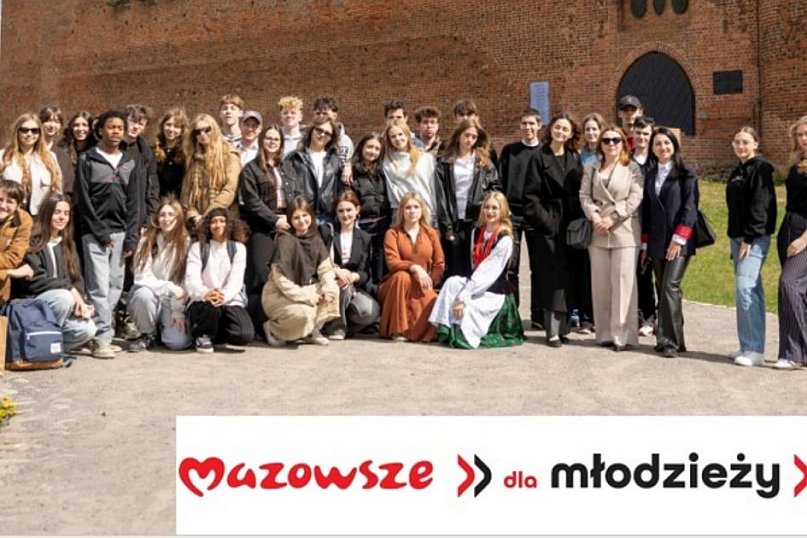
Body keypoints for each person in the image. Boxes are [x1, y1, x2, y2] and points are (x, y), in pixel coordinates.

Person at [75, 110, 142, 359]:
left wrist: (131, 236)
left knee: (115, 286)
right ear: (100, 130)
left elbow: (135, 202)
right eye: (111, 127)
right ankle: (101, 338)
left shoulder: (130, 162)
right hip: (95, 234)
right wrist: (100, 232)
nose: (115, 131)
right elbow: (83, 201)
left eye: (119, 128)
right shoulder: (87, 159)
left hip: (121, 233)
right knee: (98, 287)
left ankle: (103, 332)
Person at [429, 191, 524, 349]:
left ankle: (463, 335)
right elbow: (475, 267)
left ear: (502, 211)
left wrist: (463, 298)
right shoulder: (477, 232)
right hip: (476, 283)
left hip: (494, 290)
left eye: (494, 208)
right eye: (487, 207)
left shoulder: (505, 239)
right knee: (451, 282)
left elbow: (487, 273)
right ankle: (443, 328)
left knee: (468, 308)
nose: (489, 211)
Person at [580, 126, 644, 351]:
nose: (611, 144)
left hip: (623, 230)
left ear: (623, 143)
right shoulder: (591, 167)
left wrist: (613, 216)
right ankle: (604, 333)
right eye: (606, 140)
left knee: (624, 284)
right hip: (598, 231)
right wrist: (595, 216)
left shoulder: (632, 168)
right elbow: (584, 195)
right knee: (601, 285)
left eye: (616, 140)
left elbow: (635, 197)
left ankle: (623, 335)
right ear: (600, 144)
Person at [524, 112, 585, 347]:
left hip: (571, 223)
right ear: (550, 130)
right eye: (557, 127)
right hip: (549, 223)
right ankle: (551, 330)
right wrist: (546, 222)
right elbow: (530, 196)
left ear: (571, 134)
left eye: (565, 129)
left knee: (570, 275)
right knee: (552, 276)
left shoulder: (574, 157)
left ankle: (565, 328)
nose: (560, 132)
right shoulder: (539, 158)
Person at [640, 127, 698, 358]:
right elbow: (647, 212)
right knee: (662, 287)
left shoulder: (686, 173)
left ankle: (669, 342)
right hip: (655, 241)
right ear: (652, 149)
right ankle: (674, 339)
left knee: (670, 287)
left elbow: (690, 208)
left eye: (666, 143)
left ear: (674, 145)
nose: (663, 147)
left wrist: (678, 240)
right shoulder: (650, 175)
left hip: (679, 241)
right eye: (658, 144)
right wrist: (645, 245)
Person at [726, 126, 777, 367]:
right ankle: (747, 345)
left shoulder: (760, 169)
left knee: (745, 288)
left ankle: (755, 350)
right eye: (737, 142)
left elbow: (761, 205)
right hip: (737, 238)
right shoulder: (738, 170)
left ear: (756, 144)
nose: (741, 146)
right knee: (750, 289)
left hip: (753, 239)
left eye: (745, 142)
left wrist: (748, 238)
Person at [21, 194, 96, 352]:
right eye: (57, 212)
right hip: (34, 303)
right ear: (47, 213)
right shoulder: (32, 241)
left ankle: (47, 348)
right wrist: (70, 290)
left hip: (63, 304)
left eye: (66, 213)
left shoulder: (68, 244)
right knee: (63, 297)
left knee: (88, 329)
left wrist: (81, 303)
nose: (62, 217)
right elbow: (34, 279)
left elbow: (77, 278)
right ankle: (42, 347)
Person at [261, 196, 339, 346]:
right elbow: (281, 281)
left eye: (305, 215)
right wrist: (306, 297)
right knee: (303, 314)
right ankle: (273, 329)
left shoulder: (315, 238)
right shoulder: (284, 241)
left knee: (332, 288)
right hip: (279, 294)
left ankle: (313, 330)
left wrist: (327, 291)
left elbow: (326, 270)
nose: (302, 221)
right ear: (290, 220)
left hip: (305, 289)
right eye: (296, 218)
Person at [239, 124, 294, 334]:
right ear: (262, 141)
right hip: (261, 225)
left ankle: (281, 321)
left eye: (276, 139)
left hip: (287, 223)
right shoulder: (251, 169)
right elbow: (251, 201)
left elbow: (296, 193)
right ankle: (257, 323)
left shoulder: (287, 167)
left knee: (285, 272)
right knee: (260, 273)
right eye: (269, 138)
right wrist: (273, 220)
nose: (272, 142)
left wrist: (292, 218)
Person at [434, 118, 500, 278]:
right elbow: (441, 195)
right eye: (466, 135)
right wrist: (446, 227)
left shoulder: (483, 162)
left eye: (473, 137)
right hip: (454, 221)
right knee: (454, 267)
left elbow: (495, 187)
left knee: (475, 266)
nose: (469, 140)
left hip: (475, 220)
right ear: (459, 135)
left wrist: (483, 206)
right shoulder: (445, 161)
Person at [126, 198, 192, 352]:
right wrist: (168, 287)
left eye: (171, 215)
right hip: (151, 295)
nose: (166, 219)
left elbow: (184, 282)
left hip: (173, 300)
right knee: (143, 295)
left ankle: (163, 329)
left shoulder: (186, 243)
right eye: (162, 215)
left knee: (177, 343)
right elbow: (141, 277)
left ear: (178, 218)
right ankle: (147, 333)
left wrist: (177, 310)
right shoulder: (147, 240)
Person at [377, 192, 445, 342]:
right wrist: (414, 267)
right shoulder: (392, 233)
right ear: (401, 211)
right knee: (403, 277)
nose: (412, 211)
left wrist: (430, 281)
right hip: (396, 285)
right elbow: (392, 262)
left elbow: (439, 264)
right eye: (408, 207)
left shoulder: (431, 233)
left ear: (422, 210)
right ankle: (397, 330)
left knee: (433, 300)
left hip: (422, 284)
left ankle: (415, 333)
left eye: (416, 207)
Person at [184, 207, 254, 352]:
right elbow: (192, 280)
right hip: (203, 301)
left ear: (229, 224)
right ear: (208, 226)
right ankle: (203, 335)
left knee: (245, 334)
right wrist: (206, 293)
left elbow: (236, 280)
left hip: (228, 299)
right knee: (211, 309)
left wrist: (223, 296)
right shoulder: (198, 248)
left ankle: (217, 335)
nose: (218, 225)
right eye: (214, 222)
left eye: (222, 221)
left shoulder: (238, 248)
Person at [497, 108, 543, 326]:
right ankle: (512, 315)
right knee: (511, 267)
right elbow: (499, 181)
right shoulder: (510, 151)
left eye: (532, 123)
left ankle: (538, 315)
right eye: (524, 123)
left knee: (538, 266)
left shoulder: (544, 152)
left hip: (535, 215)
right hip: (512, 215)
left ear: (539, 125)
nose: (528, 127)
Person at [319, 191, 380, 339]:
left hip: (352, 286)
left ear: (357, 210)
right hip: (328, 283)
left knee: (371, 312)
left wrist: (354, 276)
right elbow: (318, 260)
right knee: (343, 286)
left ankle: (339, 327)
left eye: (349, 210)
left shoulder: (364, 237)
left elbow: (365, 273)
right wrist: (335, 270)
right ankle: (336, 329)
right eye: (341, 211)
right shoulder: (326, 231)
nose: (345, 215)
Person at [775, 116, 807, 370]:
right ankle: (792, 352)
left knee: (789, 283)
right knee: (795, 292)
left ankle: (796, 353)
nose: (804, 139)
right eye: (800, 135)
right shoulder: (796, 163)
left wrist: (803, 240)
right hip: (788, 229)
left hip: (804, 235)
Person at [341, 132, 390, 288]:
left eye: (377, 148)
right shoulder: (351, 171)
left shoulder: (382, 171)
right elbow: (346, 197)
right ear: (361, 147)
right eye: (369, 147)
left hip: (382, 224)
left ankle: (378, 291)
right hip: (361, 224)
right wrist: (348, 164)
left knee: (379, 263)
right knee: (362, 262)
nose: (372, 151)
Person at [180, 113, 241, 230]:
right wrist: (193, 216)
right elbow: (186, 193)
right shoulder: (193, 158)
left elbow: (230, 189)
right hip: (198, 223)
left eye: (207, 129)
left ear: (215, 129)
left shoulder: (229, 154)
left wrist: (207, 216)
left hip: (223, 220)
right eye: (197, 132)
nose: (202, 134)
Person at [282, 118, 343, 225]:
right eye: (319, 130)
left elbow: (339, 188)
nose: (322, 135)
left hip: (327, 216)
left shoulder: (335, 160)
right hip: (303, 215)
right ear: (311, 130)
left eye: (327, 133)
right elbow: (287, 188)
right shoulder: (294, 158)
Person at [0, 112, 62, 216]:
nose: (29, 134)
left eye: (34, 130)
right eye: (24, 130)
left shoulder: (50, 157)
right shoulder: (3, 156)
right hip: (10, 215)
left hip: (40, 217)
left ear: (40, 133)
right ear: (17, 132)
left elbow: (58, 190)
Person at [631, 116, 658, 338]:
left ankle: (656, 316)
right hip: (632, 222)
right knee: (639, 273)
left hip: (654, 223)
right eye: (638, 133)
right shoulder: (626, 159)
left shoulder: (657, 160)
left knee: (657, 272)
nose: (641, 137)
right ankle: (643, 315)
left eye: (646, 134)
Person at [381, 122, 437, 221]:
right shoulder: (387, 161)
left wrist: (434, 212)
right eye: (393, 136)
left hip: (427, 212)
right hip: (401, 214)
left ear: (407, 135)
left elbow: (433, 186)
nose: (398, 138)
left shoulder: (425, 158)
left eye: (400, 134)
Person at [123, 104, 160, 231]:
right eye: (133, 121)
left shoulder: (145, 153)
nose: (136, 127)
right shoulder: (112, 148)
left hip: (138, 218)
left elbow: (153, 188)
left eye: (141, 124)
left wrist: (149, 220)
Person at [0, 180, 34, 303]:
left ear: (18, 205)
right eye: (0, 200)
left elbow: (13, 258)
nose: (3, 206)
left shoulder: (24, 220)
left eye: (9, 202)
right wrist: (8, 272)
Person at [53, 110, 94, 200]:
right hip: (68, 197)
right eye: (76, 125)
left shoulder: (96, 150)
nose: (80, 129)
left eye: (84, 125)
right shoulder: (62, 149)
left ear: (90, 129)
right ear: (71, 128)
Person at [153, 107, 188, 200]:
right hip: (157, 202)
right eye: (168, 125)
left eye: (176, 126)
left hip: (179, 202)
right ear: (162, 126)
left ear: (182, 130)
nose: (171, 129)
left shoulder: (186, 153)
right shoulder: (153, 150)